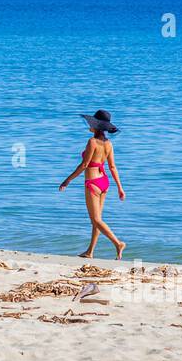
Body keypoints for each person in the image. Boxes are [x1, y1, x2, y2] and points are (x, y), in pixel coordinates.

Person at [58, 109, 126, 261]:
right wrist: (120, 188)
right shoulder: (108, 144)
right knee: (97, 219)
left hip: (93, 183)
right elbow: (113, 167)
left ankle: (118, 243)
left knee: (96, 220)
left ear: (96, 126)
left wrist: (67, 180)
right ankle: (90, 251)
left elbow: (84, 165)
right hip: (104, 182)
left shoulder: (92, 142)